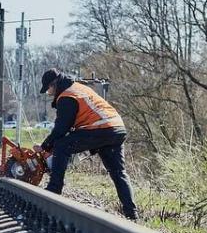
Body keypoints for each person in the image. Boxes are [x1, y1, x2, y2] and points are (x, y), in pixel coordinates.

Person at [35, 68, 138, 219]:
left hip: (100, 128)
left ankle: (54, 190)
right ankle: (132, 214)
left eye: (48, 89)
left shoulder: (67, 96)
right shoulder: (79, 88)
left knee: (62, 146)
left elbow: (61, 129)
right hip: (116, 128)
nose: (49, 93)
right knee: (119, 173)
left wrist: (45, 147)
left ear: (54, 84)